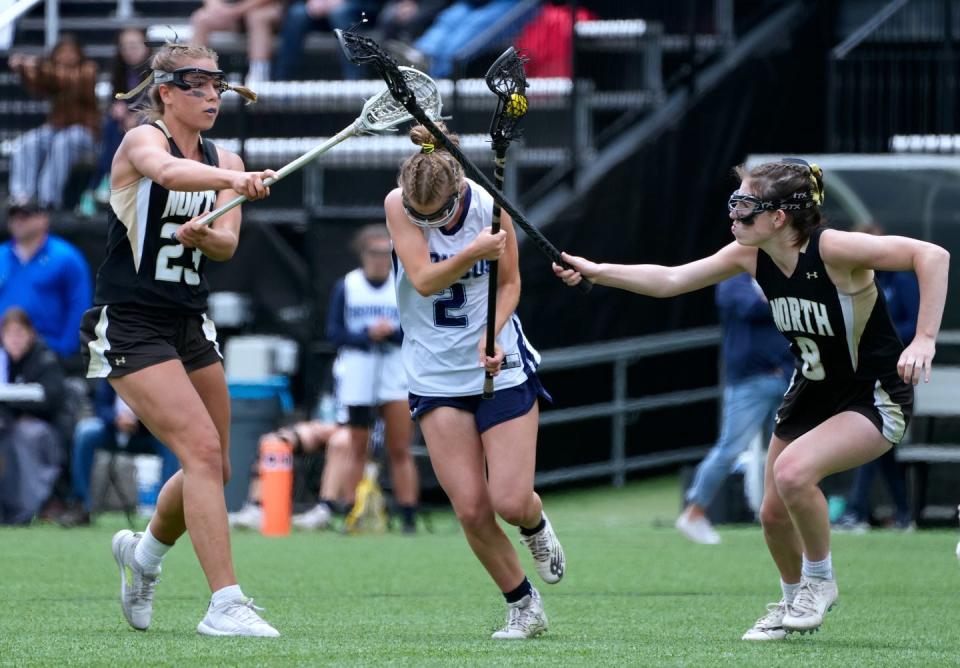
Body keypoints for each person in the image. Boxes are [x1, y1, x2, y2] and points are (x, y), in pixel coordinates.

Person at [554, 158, 949, 639]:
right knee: (771, 511)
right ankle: (789, 603)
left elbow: (933, 255)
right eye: (733, 205)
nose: (734, 217)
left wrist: (924, 338)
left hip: (873, 393)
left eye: (744, 207)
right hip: (812, 389)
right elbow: (672, 281)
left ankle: (819, 583)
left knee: (793, 473)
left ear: (779, 216)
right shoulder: (749, 255)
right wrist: (597, 271)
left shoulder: (834, 248)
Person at [78, 41, 280, 637]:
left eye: (218, 84)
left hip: (189, 321)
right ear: (166, 91)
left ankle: (141, 559)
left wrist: (204, 234)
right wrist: (235, 180)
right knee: (200, 450)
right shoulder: (143, 140)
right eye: (199, 85)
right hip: (130, 320)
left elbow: (228, 244)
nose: (213, 95)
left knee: (211, 467)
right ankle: (225, 604)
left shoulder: (226, 154)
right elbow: (166, 173)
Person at [386, 122, 565, 639]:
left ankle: (534, 522)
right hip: (434, 372)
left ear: (459, 188)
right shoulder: (398, 204)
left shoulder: (490, 206)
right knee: (469, 507)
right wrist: (470, 253)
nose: (432, 222)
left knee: (510, 501)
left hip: (499, 365)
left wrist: (496, 332)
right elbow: (422, 279)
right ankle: (524, 605)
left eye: (440, 214)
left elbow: (509, 284)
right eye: (423, 217)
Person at [675, 273, 793, 545]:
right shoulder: (732, 280)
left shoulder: (778, 276)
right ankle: (694, 512)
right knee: (730, 448)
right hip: (748, 383)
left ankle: (789, 515)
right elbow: (753, 308)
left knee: (792, 450)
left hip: (786, 376)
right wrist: (783, 298)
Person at [323, 223, 419, 533]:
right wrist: (366, 335)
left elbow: (416, 328)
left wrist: (390, 333)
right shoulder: (348, 286)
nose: (379, 259)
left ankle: (408, 516)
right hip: (359, 371)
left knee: (399, 447)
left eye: (385, 253)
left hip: (394, 371)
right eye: (373, 253)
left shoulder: (401, 284)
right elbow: (334, 332)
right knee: (357, 446)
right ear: (362, 254)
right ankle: (350, 512)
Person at [833, 222, 920, 532]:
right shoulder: (847, 280)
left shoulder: (900, 280)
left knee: (873, 438)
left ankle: (856, 512)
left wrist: (881, 337)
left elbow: (915, 324)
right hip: (861, 376)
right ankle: (904, 515)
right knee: (882, 450)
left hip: (894, 375)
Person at [64, 379, 180, 527]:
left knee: (171, 441)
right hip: (112, 431)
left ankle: (167, 511)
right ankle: (80, 506)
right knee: (85, 432)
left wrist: (139, 421)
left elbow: (163, 410)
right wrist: (115, 419)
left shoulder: (154, 374)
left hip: (147, 433)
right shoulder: (111, 370)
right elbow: (100, 405)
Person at [7, 35, 99, 209]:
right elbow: (37, 84)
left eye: (70, 52)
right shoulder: (51, 72)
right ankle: (22, 197)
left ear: (79, 53)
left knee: (62, 143)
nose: (66, 56)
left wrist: (37, 66)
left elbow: (67, 79)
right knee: (26, 143)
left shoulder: (88, 69)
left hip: (85, 133)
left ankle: (47, 200)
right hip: (56, 129)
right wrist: (23, 69)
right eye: (61, 52)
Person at [0, 198, 92, 363]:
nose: (18, 221)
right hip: (4, 350)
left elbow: (79, 306)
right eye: (14, 215)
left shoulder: (66, 257)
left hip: (49, 351)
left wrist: (65, 348)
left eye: (25, 215)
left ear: (44, 218)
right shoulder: (2, 255)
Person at [0, 307, 67, 524]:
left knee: (23, 435)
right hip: (8, 426)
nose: (14, 340)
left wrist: (11, 401)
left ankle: (24, 509)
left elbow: (51, 399)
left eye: (19, 333)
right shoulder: (3, 361)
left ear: (31, 334)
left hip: (46, 432)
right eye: (9, 334)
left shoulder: (45, 358)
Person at [77, 28, 152, 217]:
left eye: (134, 46)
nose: (129, 51)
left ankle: (100, 185)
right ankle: (105, 179)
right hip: (124, 124)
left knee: (122, 129)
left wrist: (135, 116)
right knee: (112, 125)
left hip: (151, 122)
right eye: (124, 47)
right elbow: (117, 99)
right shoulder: (120, 69)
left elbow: (159, 103)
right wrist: (118, 108)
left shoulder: (157, 68)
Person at [228, 419, 353, 530]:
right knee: (274, 441)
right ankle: (258, 508)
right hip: (329, 424)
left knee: (340, 441)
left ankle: (327, 509)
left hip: (356, 431)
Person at [273, 0, 379, 80]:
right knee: (297, 13)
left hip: (358, 6)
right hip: (319, 8)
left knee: (340, 12)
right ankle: (282, 82)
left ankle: (356, 81)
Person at [190, 0, 285, 85]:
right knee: (201, 18)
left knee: (257, 17)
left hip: (266, 9)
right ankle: (195, 72)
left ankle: (258, 75)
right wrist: (217, 7)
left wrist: (237, 10)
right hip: (232, 12)